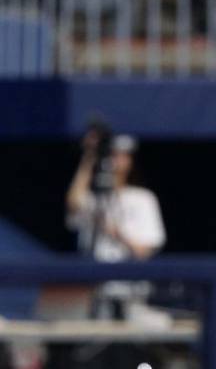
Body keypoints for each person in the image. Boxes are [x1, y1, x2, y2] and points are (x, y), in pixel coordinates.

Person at [66, 131, 166, 318]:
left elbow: (144, 251)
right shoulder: (94, 200)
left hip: (131, 292)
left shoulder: (143, 198)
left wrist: (114, 231)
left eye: (122, 156)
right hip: (95, 292)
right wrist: (90, 156)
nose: (116, 161)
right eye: (112, 155)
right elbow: (73, 201)